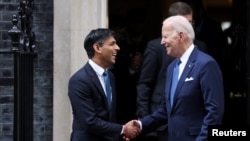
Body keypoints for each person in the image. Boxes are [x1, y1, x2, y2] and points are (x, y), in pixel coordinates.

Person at [127, 15, 224, 141]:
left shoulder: (205, 64)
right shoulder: (172, 67)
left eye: (165, 36)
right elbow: (167, 110)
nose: (162, 42)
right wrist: (140, 125)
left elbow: (214, 112)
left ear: (181, 36)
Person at [136, 2, 207, 141]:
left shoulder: (202, 50)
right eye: (183, 24)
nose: (188, 29)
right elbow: (144, 84)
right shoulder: (156, 47)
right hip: (160, 124)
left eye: (190, 23)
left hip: (190, 125)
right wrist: (145, 121)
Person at [68, 28, 140, 141]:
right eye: (112, 44)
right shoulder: (79, 80)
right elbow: (89, 121)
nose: (117, 48)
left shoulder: (110, 76)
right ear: (97, 48)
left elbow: (110, 115)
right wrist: (123, 129)